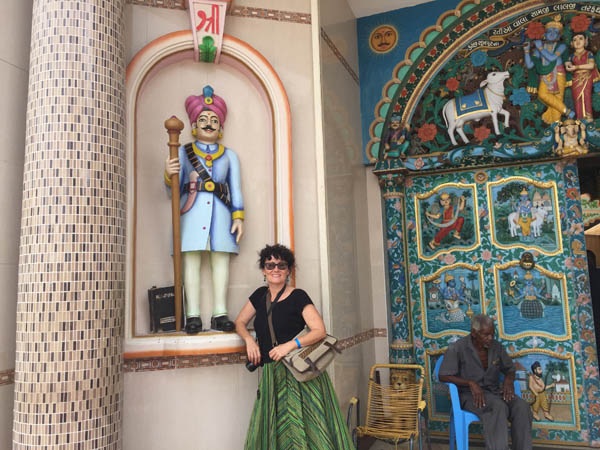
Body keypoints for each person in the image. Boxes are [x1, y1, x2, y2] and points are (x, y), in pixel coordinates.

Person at [234, 244, 353, 450]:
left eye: (281, 265)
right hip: (273, 373)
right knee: (277, 428)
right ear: (263, 269)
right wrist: (249, 340)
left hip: (299, 372)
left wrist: (289, 345)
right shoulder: (259, 296)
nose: (276, 270)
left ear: (289, 270)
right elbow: (240, 322)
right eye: (270, 265)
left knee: (309, 427)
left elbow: (319, 330)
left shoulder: (298, 296)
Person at [165, 85, 244, 334]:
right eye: (203, 119)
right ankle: (193, 315)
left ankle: (220, 313)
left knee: (221, 264)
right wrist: (169, 173)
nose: (208, 124)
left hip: (220, 214)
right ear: (193, 125)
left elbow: (236, 189)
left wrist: (238, 216)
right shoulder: (184, 151)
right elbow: (174, 188)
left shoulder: (230, 156)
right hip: (191, 213)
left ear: (220, 127)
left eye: (213, 120)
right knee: (190, 264)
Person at [439, 314, 532, 450]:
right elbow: (443, 375)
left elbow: (510, 369)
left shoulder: (496, 347)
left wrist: (508, 380)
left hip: (495, 391)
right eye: (486, 335)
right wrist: (470, 383)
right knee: (497, 407)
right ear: (474, 333)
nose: (490, 338)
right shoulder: (457, 348)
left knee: (522, 407)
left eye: (492, 334)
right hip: (470, 396)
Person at [524, 15, 574, 124]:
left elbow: (552, 58)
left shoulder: (561, 46)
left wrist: (540, 48)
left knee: (557, 98)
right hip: (545, 75)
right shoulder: (540, 49)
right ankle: (566, 111)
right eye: (549, 31)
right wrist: (526, 51)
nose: (552, 33)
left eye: (555, 32)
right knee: (542, 94)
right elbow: (530, 65)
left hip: (559, 73)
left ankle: (556, 125)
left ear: (558, 36)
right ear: (545, 34)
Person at [565, 33, 600, 121]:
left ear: (585, 41)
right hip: (575, 78)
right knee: (576, 99)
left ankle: (588, 118)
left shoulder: (589, 53)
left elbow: (591, 65)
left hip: (586, 76)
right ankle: (579, 119)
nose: (577, 41)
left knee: (586, 97)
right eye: (574, 39)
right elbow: (568, 64)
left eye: (580, 38)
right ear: (572, 44)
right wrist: (567, 65)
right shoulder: (572, 56)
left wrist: (576, 67)